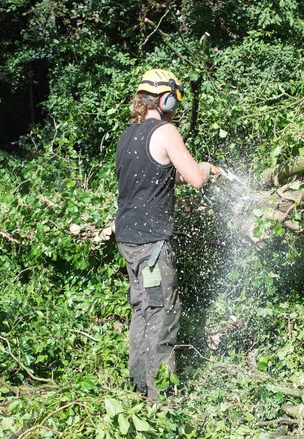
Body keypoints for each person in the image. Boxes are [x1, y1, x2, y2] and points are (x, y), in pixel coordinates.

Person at [114, 68, 218, 400]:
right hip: (152, 245)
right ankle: (160, 400)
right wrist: (210, 169)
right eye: (174, 101)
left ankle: (138, 389)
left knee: (143, 311)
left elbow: (159, 176)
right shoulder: (166, 131)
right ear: (165, 98)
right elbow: (196, 179)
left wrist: (187, 171)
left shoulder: (129, 135)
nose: (176, 109)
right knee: (162, 314)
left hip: (129, 239)